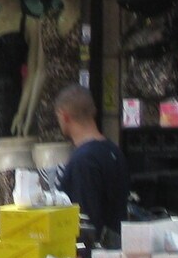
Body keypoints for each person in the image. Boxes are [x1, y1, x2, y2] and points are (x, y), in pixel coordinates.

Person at [53, 86, 127, 248]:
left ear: (64, 116)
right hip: (117, 251)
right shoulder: (114, 151)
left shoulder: (83, 161)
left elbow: (85, 221)